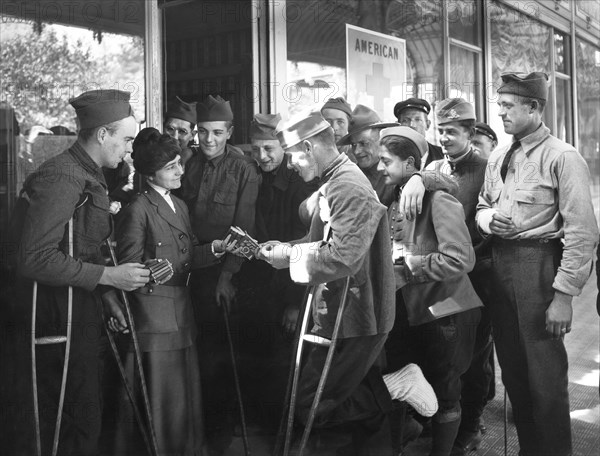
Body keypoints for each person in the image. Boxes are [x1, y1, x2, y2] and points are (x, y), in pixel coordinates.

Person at [257, 112, 437, 455]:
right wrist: (283, 249)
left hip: (355, 315)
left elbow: (342, 257)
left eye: (294, 156)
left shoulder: (346, 186)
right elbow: (323, 242)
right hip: (346, 312)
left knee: (310, 402)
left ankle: (401, 386)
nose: (292, 166)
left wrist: (288, 258)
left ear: (309, 147)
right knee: (349, 398)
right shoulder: (335, 180)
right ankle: (402, 425)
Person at [16, 89, 150, 455]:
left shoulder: (90, 173)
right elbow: (34, 257)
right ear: (103, 134)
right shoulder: (62, 178)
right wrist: (109, 278)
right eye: (126, 139)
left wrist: (107, 298)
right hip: (57, 316)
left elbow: (82, 250)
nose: (129, 150)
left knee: (88, 411)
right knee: (74, 419)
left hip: (82, 309)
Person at [476, 72, 599, 456]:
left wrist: (563, 296)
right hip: (500, 267)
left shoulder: (563, 157)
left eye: (509, 106)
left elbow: (582, 232)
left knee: (545, 381)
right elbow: (482, 203)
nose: (501, 114)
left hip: (539, 269)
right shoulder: (498, 156)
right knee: (514, 377)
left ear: (535, 107)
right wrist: (486, 219)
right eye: (500, 105)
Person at [110, 128, 236, 456]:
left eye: (180, 163)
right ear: (151, 173)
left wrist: (216, 249)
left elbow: (189, 256)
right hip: (152, 319)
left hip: (181, 314)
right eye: (172, 167)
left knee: (182, 402)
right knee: (161, 402)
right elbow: (126, 268)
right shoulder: (138, 208)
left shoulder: (178, 205)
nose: (180, 171)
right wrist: (150, 269)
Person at [379, 126, 482, 456]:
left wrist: (408, 267)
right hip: (408, 312)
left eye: (386, 161)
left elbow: (461, 257)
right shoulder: (390, 196)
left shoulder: (437, 200)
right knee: (407, 384)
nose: (380, 168)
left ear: (410, 164)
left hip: (445, 310)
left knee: (446, 389)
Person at [177, 94, 261, 451]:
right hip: (187, 270)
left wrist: (227, 277)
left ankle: (220, 437)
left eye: (216, 132)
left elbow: (244, 229)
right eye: (202, 132)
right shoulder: (186, 164)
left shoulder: (244, 170)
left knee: (219, 357)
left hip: (225, 274)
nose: (208, 140)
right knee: (193, 353)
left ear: (229, 132)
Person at [429, 99, 494, 455]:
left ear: (469, 133)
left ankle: (470, 425)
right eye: (439, 130)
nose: (443, 137)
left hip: (479, 278)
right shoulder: (435, 167)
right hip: (444, 279)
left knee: (476, 358)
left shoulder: (487, 169)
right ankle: (443, 422)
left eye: (451, 131)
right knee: (446, 356)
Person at [336, 105, 398, 206]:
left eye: (364, 143)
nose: (356, 151)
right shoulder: (350, 175)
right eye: (353, 145)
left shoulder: (397, 174)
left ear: (381, 139)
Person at [393, 97, 444, 167]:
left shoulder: (441, 155)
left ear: (428, 124)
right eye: (405, 120)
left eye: (418, 120)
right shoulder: (391, 156)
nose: (412, 125)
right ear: (398, 126)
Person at [164, 95, 198, 165]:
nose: (175, 137)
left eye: (182, 131)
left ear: (192, 135)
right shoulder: (152, 156)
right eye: (170, 129)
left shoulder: (196, 162)